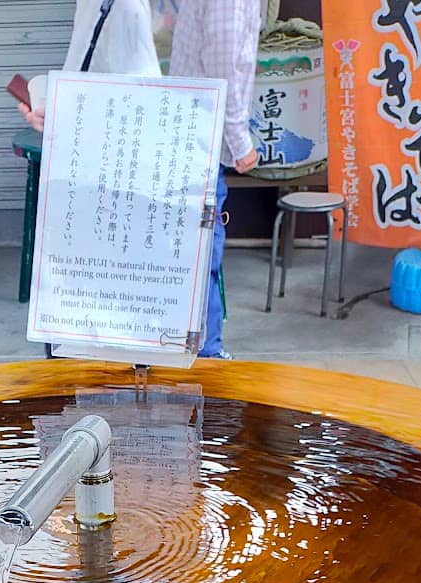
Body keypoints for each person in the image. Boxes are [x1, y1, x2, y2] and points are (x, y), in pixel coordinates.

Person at [169, 0, 259, 358]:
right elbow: (222, 66)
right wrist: (240, 141)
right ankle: (206, 353)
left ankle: (195, 348)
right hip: (202, 135)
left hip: (192, 128)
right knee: (204, 249)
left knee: (196, 247)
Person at [18, 0, 160, 134]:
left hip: (121, 138)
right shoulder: (92, 5)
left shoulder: (126, 7)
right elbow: (83, 65)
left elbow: (143, 92)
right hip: (102, 137)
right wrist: (49, 105)